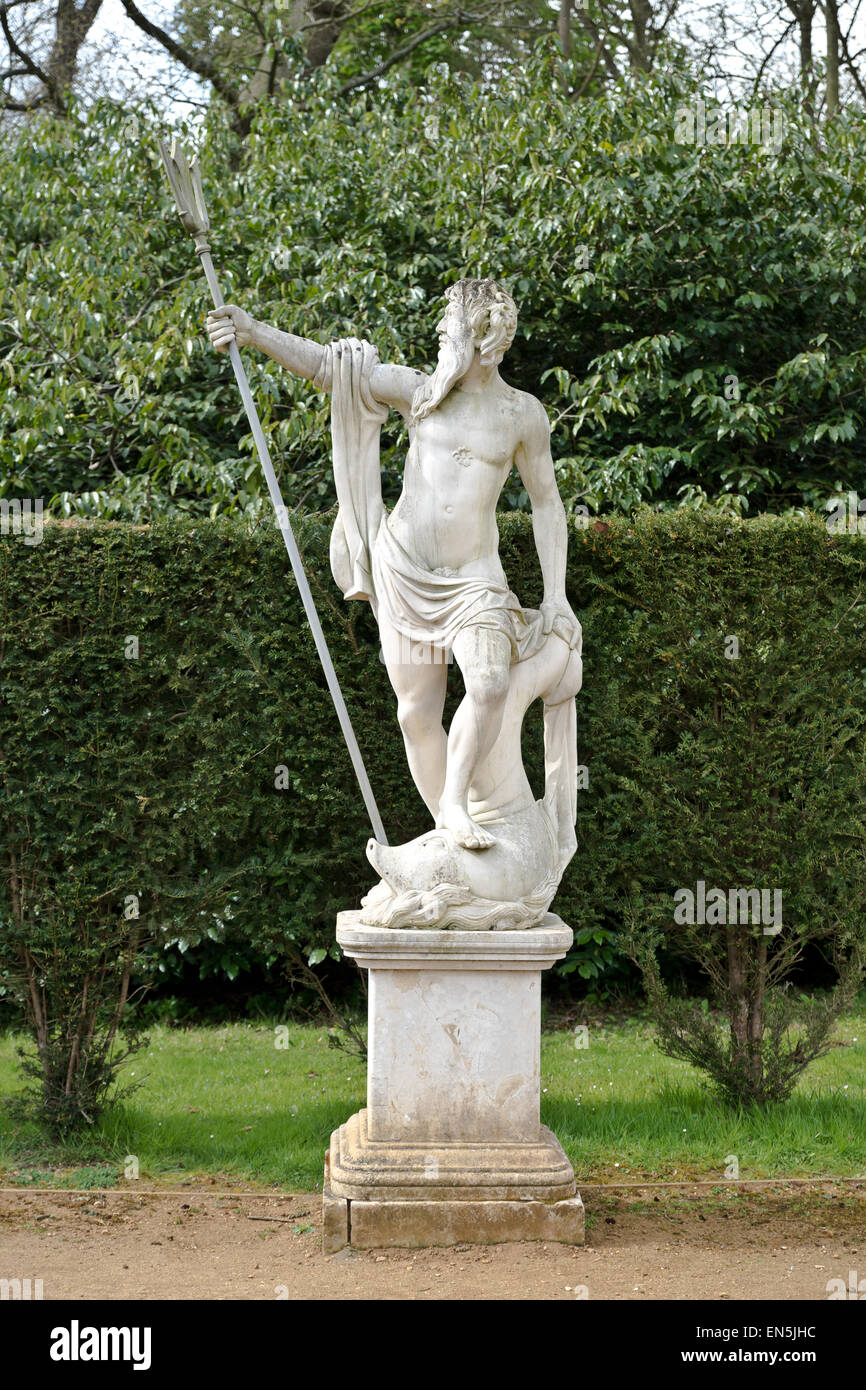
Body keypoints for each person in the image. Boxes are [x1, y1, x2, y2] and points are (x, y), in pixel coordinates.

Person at [207, 278, 581, 850]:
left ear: (479, 333)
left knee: (487, 681)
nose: (439, 329)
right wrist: (253, 332)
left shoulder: (521, 415)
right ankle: (448, 840)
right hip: (404, 571)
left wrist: (555, 595)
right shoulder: (420, 391)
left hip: (475, 583)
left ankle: (456, 803)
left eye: (449, 318)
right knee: (414, 715)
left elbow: (547, 502)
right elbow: (329, 368)